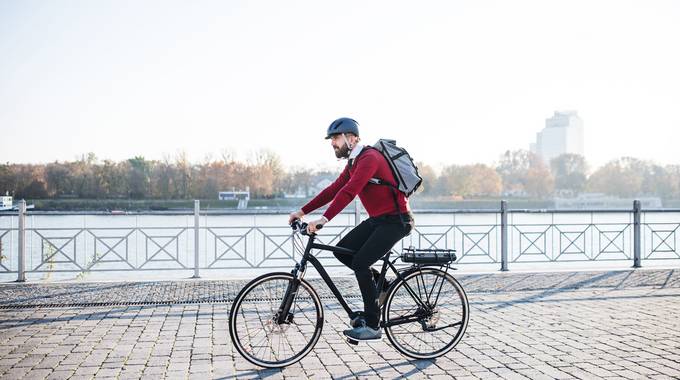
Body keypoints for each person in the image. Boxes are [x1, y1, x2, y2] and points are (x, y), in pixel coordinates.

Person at [288, 117, 414, 341]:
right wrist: (302, 212)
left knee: (360, 262)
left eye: (335, 138)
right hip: (378, 220)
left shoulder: (369, 158)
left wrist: (323, 220)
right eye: (331, 139)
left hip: (396, 221)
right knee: (341, 250)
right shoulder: (353, 163)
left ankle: (373, 325)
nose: (332, 143)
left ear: (352, 138)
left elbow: (350, 192)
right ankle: (382, 286)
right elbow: (335, 189)